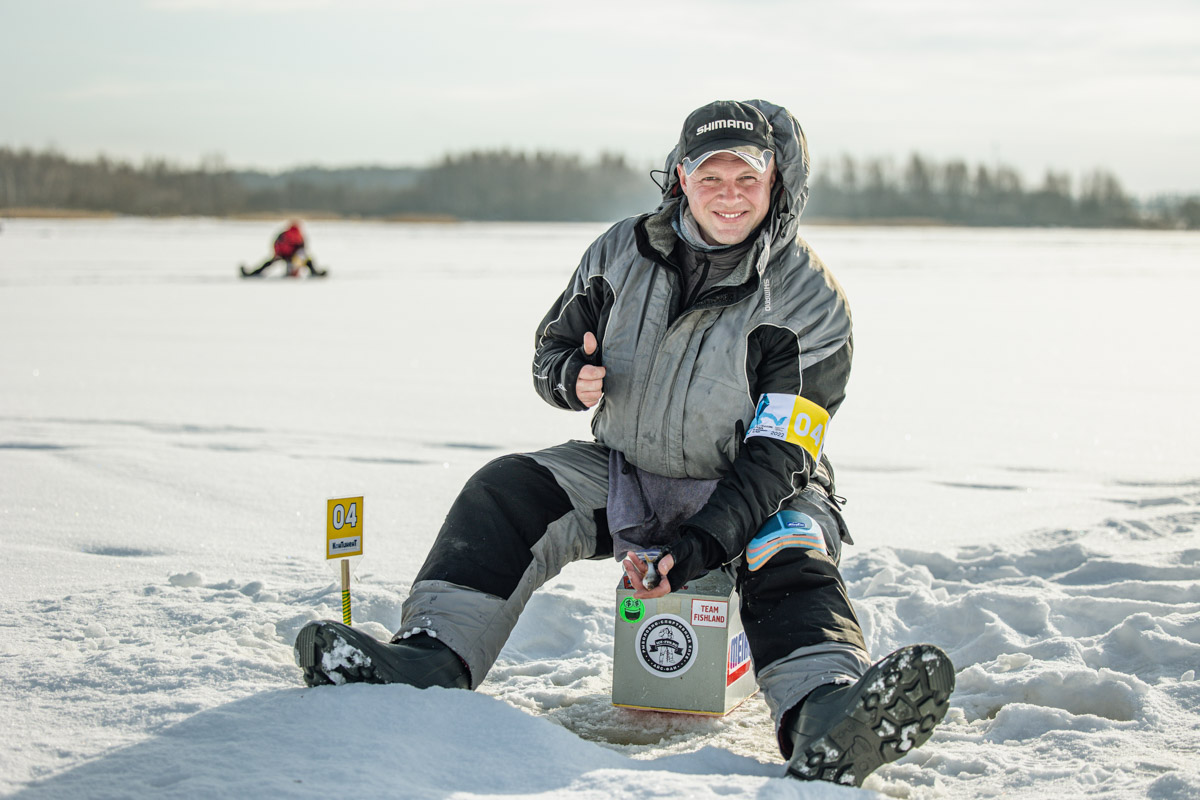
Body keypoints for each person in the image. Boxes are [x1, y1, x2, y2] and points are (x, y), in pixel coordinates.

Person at [294, 100, 955, 786]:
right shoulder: (619, 252)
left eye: (747, 179)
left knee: (781, 547)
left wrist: (697, 545)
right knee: (506, 489)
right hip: (630, 472)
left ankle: (824, 714)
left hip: (760, 486)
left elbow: (776, 460)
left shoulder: (809, 301)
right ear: (680, 177)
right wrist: (567, 376)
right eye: (711, 177)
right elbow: (551, 346)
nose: (728, 196)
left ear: (776, 185)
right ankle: (428, 659)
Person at [240, 220, 326, 277]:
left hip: (284, 255)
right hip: (292, 256)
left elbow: (276, 244)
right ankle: (315, 273)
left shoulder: (285, 234)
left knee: (268, 263)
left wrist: (278, 253)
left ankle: (253, 273)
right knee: (308, 261)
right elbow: (302, 249)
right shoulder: (298, 235)